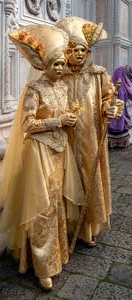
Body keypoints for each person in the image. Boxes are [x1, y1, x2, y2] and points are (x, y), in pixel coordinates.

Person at [0, 24, 84, 290]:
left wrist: (71, 118)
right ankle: (41, 265)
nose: (59, 69)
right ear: (44, 65)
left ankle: (56, 257)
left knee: (55, 203)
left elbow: (64, 116)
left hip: (59, 151)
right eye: (55, 64)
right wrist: (59, 121)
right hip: (39, 153)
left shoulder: (62, 88)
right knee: (41, 208)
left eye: (61, 64)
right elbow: (28, 125)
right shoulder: (34, 90)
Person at [56, 16, 123, 247]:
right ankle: (65, 227)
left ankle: (87, 228)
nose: (78, 54)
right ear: (66, 51)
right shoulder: (57, 75)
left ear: (88, 51)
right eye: (73, 49)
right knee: (65, 179)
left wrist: (111, 109)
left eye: (82, 49)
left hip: (91, 138)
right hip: (63, 137)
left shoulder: (98, 74)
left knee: (88, 178)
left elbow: (107, 98)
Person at [108, 65, 132, 148]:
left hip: (119, 110)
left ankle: (113, 144)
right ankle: (118, 143)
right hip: (117, 110)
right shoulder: (125, 85)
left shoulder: (112, 85)